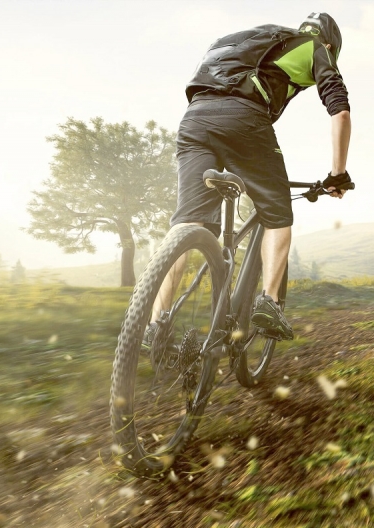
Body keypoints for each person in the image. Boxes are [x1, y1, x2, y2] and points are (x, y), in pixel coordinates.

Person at [148, 12, 352, 344]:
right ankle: (270, 303)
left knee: (190, 222)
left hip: (194, 119)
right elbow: (340, 111)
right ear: (329, 44)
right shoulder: (316, 46)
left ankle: (154, 323)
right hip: (243, 119)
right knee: (278, 213)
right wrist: (338, 174)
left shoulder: (260, 38)